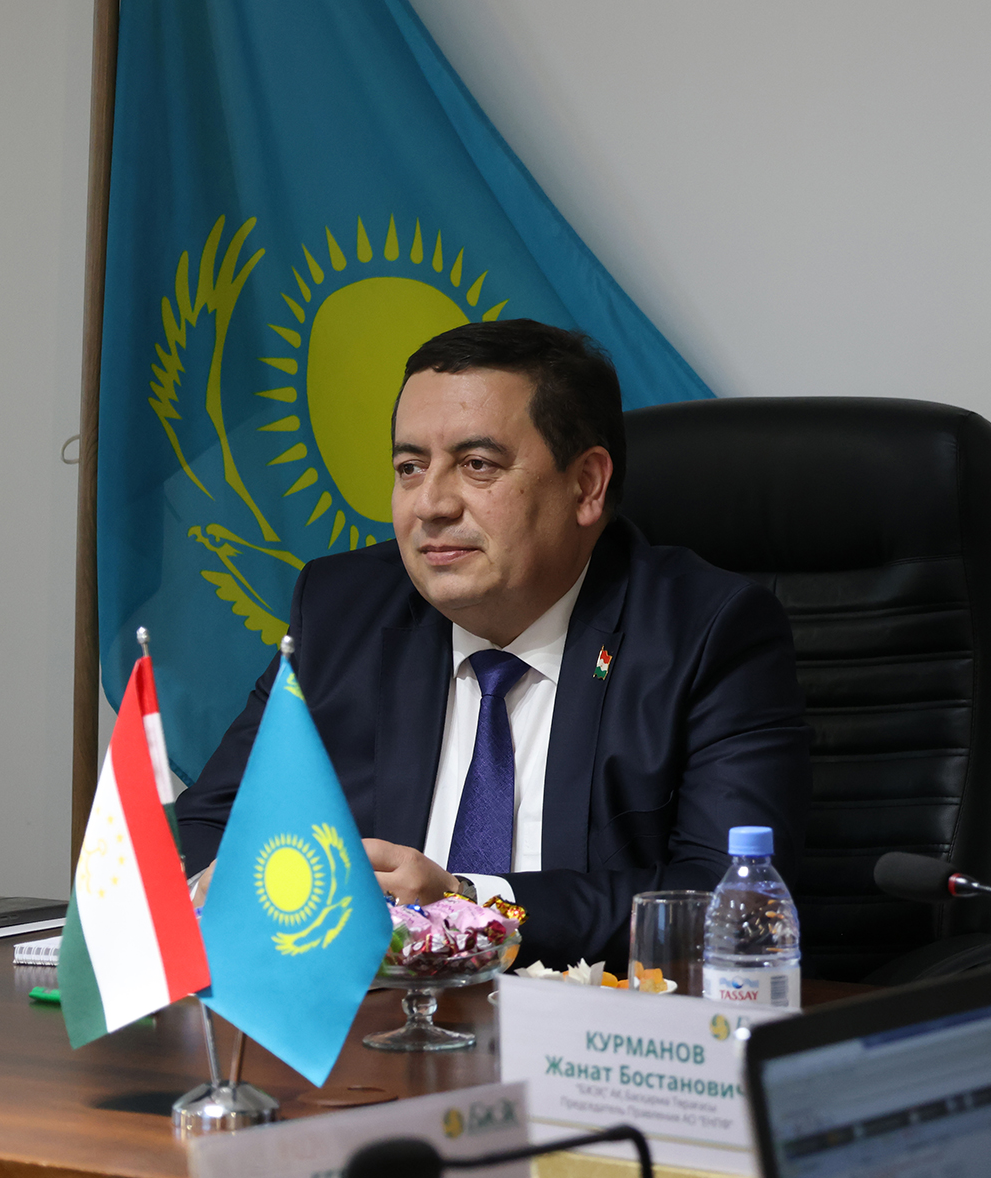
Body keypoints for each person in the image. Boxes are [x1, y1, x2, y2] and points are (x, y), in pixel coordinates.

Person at [173, 319, 813, 970]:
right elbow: (207, 827)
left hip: (590, 1017)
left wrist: (467, 907)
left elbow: (726, 902)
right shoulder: (342, 611)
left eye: (477, 466)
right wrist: (249, 889)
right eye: (409, 467)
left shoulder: (706, 632)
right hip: (375, 1012)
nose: (430, 504)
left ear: (586, 485)